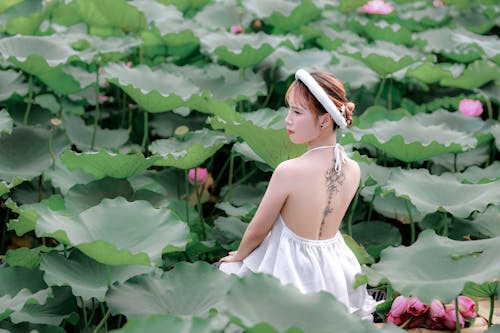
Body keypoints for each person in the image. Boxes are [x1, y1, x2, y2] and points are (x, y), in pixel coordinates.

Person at [218, 69, 378, 320]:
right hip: (337, 271)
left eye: (297, 112)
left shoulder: (289, 171)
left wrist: (238, 256)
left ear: (324, 121)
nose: (287, 120)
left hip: (290, 269)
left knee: (226, 281)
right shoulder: (354, 169)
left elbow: (258, 231)